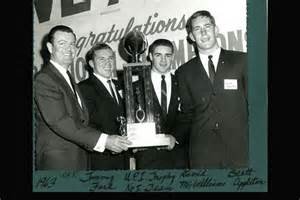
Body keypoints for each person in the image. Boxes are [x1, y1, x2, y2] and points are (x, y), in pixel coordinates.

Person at [34, 25, 131, 170]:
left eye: (72, 44)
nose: (69, 48)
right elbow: (60, 121)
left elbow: (81, 119)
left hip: (78, 159)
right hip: (59, 162)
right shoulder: (45, 79)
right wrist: (104, 140)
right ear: (50, 47)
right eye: (62, 43)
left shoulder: (66, 77)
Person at [175, 10, 248, 168]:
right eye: (197, 29)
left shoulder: (242, 61)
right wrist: (172, 137)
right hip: (203, 155)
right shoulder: (184, 72)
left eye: (207, 26)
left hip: (241, 151)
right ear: (191, 37)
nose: (203, 32)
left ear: (216, 30)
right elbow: (187, 115)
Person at [134, 39, 188, 169]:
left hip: (178, 156)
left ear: (173, 57)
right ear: (150, 56)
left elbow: (188, 115)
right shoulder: (136, 88)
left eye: (167, 55)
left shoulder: (182, 83)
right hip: (148, 157)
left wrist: (175, 137)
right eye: (158, 55)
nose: (163, 60)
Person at [78, 43, 129, 170]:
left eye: (111, 58)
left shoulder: (121, 85)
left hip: (123, 157)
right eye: (102, 59)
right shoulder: (83, 88)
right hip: (100, 158)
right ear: (91, 63)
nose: (108, 63)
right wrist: (107, 143)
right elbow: (84, 124)